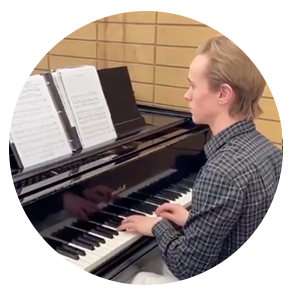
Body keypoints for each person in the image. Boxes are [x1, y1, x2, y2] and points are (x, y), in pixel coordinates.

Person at [117, 35, 283, 285]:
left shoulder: (221, 171)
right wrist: (192, 220)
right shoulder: (269, 151)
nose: (187, 95)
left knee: (136, 277)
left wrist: (156, 227)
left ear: (223, 94)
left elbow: (189, 271)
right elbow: (247, 229)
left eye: (193, 86)